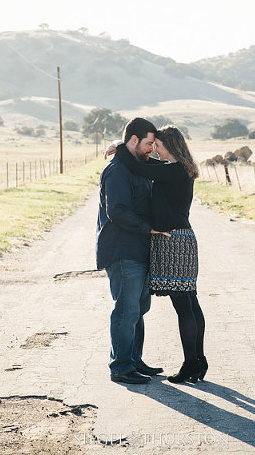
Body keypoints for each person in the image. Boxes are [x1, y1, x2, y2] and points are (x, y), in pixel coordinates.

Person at [107, 125, 207, 383]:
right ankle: (198, 361)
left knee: (184, 306)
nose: (154, 151)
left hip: (173, 242)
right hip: (182, 238)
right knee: (190, 304)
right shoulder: (178, 168)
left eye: (158, 147)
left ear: (170, 147)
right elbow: (147, 165)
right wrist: (124, 149)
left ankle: (190, 364)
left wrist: (119, 147)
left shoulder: (171, 170)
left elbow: (141, 167)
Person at [97, 117, 164, 384]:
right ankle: (121, 367)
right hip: (123, 250)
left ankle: (134, 361)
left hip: (139, 249)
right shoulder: (118, 171)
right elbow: (117, 212)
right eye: (149, 143)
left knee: (138, 308)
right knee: (126, 310)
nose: (152, 149)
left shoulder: (137, 165)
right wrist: (149, 228)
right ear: (134, 140)